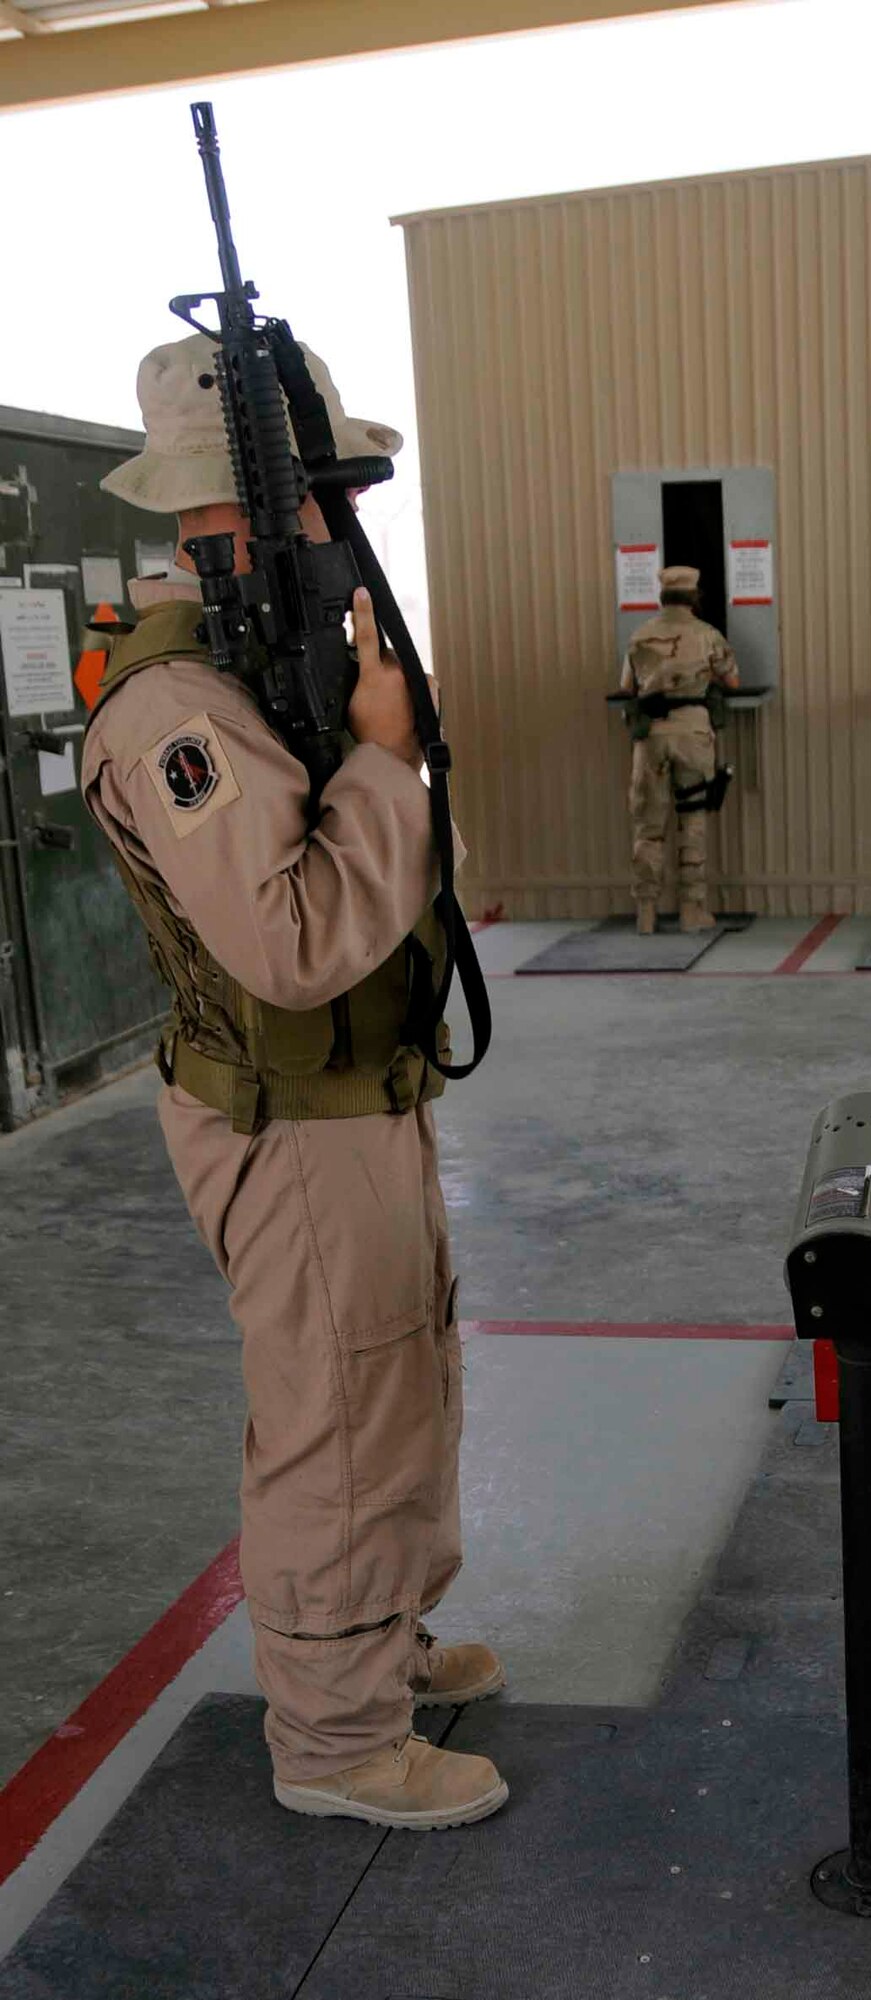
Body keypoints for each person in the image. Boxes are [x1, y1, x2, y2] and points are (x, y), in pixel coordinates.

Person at [82, 332, 508, 1830]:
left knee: (404, 1383)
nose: (341, 521)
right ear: (241, 513)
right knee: (336, 1412)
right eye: (323, 492)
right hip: (289, 1116)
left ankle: (376, 1646)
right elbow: (294, 937)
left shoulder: (275, 661)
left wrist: (367, 733)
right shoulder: (178, 706)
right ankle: (333, 1740)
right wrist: (385, 761)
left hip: (358, 1099)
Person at [619, 566, 740, 934]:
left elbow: (627, 688)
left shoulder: (640, 637)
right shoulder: (707, 636)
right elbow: (733, 679)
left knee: (649, 825)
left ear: (662, 598)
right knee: (693, 820)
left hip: (651, 738)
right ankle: (692, 910)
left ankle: (646, 912)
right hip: (692, 736)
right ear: (694, 598)